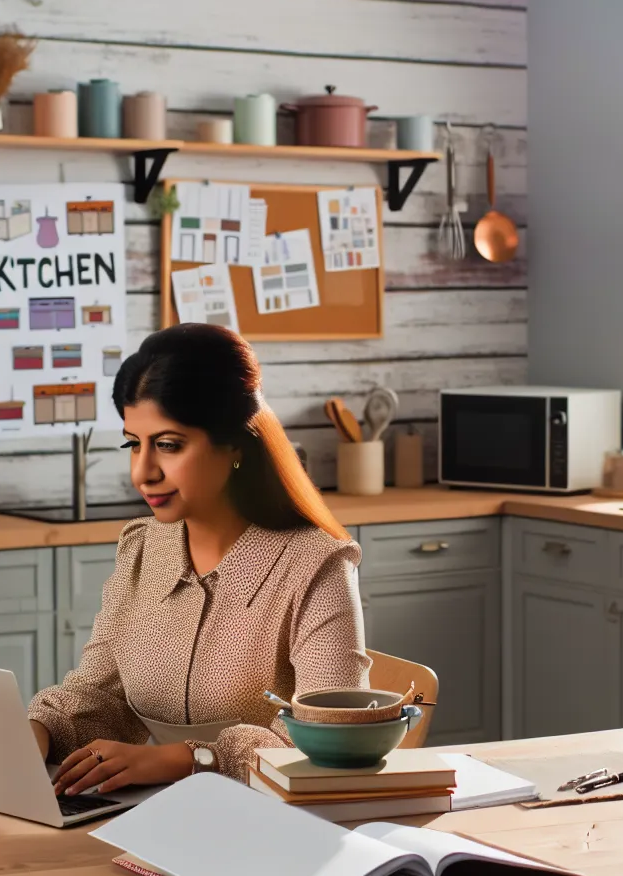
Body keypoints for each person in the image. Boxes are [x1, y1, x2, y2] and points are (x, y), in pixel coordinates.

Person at [28, 324, 369, 798]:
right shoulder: (142, 548)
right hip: (161, 811)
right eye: (133, 443)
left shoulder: (316, 565)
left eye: (168, 445)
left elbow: (329, 739)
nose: (142, 472)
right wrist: (33, 734)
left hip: (280, 821)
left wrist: (185, 759)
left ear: (234, 445)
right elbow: (99, 695)